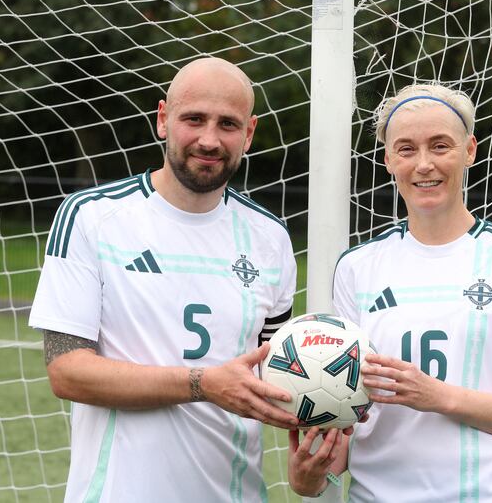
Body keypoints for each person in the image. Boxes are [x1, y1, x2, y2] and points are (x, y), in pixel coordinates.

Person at [288, 84, 492, 502]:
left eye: (440, 145)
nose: (424, 164)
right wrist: (312, 478)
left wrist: (438, 396)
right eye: (407, 149)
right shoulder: (357, 267)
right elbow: (346, 414)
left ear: (469, 150)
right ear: (389, 159)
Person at [29, 57, 300, 502]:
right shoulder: (92, 217)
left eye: (228, 124)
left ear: (249, 134)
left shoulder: (270, 238)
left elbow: (277, 376)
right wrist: (202, 384)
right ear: (163, 119)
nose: (209, 140)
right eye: (194, 119)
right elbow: (67, 372)